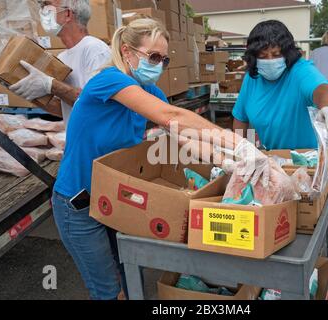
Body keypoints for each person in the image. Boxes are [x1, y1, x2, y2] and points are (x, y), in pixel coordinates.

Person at [51, 17, 252, 300]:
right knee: (108, 291)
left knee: (130, 275)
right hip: (77, 204)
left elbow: (182, 136)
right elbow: (171, 116)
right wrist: (240, 143)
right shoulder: (108, 80)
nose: (158, 65)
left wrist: (225, 159)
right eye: (153, 56)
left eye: (164, 60)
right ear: (127, 51)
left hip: (111, 198)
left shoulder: (151, 92)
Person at [233, 20, 328, 151]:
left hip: (312, 156)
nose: (270, 61)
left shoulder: (300, 70)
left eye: (276, 54)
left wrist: (327, 108)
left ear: (287, 53)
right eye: (262, 56)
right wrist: (245, 150)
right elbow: (241, 119)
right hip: (275, 156)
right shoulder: (252, 79)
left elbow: (323, 90)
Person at [8, 0, 111, 127]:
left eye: (47, 5)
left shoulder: (94, 49)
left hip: (97, 142)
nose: (42, 11)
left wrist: (50, 84)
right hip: (78, 142)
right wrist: (31, 94)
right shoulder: (63, 56)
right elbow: (64, 109)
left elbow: (95, 102)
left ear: (67, 14)